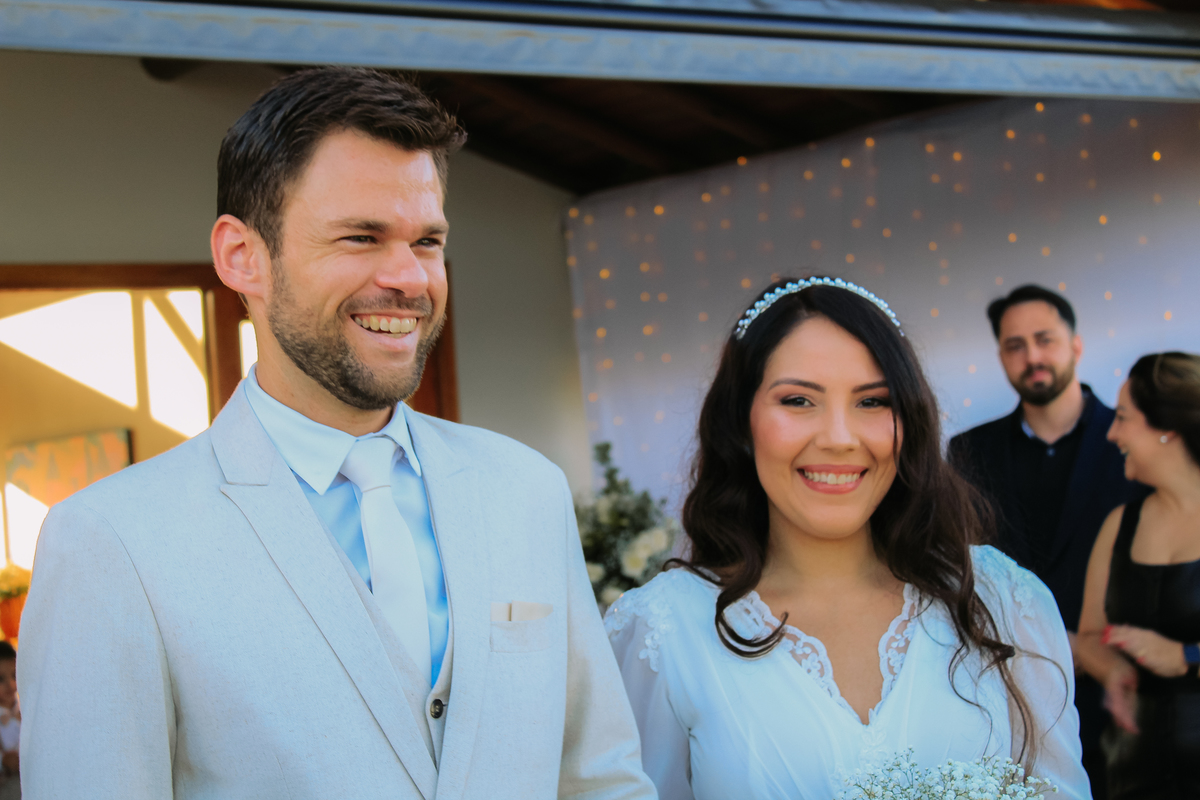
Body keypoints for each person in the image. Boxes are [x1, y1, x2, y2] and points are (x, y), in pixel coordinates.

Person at [18, 68, 654, 800]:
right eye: (361, 236)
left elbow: (599, 781)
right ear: (242, 257)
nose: (409, 278)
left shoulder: (527, 490)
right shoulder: (110, 543)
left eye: (427, 240)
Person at [606, 277, 1090, 800]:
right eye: (798, 400)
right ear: (740, 421)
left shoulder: (1003, 600)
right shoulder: (662, 631)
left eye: (872, 401)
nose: (839, 438)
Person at [948, 284, 1136, 796]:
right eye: (1015, 345)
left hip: (1126, 700)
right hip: (1010, 703)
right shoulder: (968, 452)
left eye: (1044, 339)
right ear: (1001, 357)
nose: (1031, 356)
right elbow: (960, 573)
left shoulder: (1132, 443)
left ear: (1075, 345)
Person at [1076, 352, 1200, 799]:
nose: (1112, 433)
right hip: (1135, 773)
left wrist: (1186, 657)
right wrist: (1111, 669)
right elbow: (1088, 636)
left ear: (1167, 428)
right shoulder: (1118, 525)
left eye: (1124, 418)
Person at [0, 642, 17, 799]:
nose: (10, 684)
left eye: (14, 675)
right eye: (1, 679)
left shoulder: (25, 710)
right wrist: (3, 760)